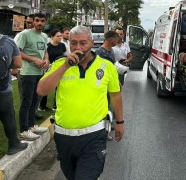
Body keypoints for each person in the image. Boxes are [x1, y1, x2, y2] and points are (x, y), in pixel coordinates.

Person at [37, 26, 124, 180]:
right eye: (74, 43)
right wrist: (65, 66)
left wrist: (120, 122)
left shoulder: (106, 66)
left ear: (92, 43)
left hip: (94, 137)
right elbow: (41, 91)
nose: (78, 47)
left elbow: (115, 95)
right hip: (64, 137)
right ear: (69, 44)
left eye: (83, 43)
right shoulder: (60, 64)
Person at [0, 20, 28, 170]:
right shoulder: (8, 41)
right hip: (2, 88)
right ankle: (14, 144)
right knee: (8, 117)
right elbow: (18, 64)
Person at [16, 12, 49, 141]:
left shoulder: (44, 36)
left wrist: (46, 60)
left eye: (42, 21)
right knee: (26, 101)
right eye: (37, 21)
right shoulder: (25, 35)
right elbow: (17, 52)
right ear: (33, 22)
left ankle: (31, 126)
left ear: (45, 22)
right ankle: (24, 130)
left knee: (35, 100)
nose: (40, 23)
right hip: (27, 72)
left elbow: (45, 51)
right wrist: (34, 60)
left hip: (39, 73)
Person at [44, 29, 66, 112]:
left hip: (59, 69)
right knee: (47, 87)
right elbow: (45, 57)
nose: (60, 37)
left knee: (59, 88)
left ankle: (55, 105)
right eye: (58, 36)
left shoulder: (62, 46)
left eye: (61, 36)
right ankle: (42, 106)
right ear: (52, 37)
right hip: (49, 69)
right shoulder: (47, 46)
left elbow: (64, 56)